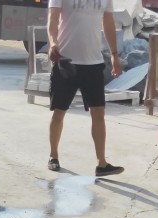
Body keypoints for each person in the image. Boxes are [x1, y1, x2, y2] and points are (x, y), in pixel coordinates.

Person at [46, 0, 124, 178]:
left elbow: (108, 21)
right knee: (59, 111)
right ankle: (53, 156)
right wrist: (53, 43)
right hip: (66, 61)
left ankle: (102, 164)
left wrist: (114, 54)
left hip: (93, 63)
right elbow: (53, 18)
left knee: (99, 113)